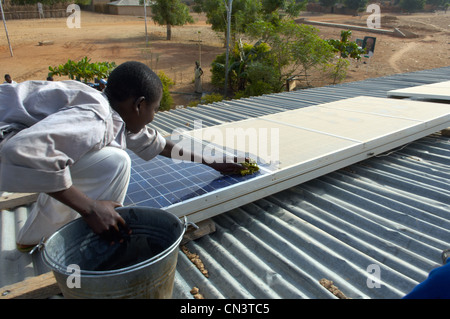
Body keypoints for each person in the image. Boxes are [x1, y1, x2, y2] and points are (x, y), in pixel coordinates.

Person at [0, 61, 245, 251]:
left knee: (79, 162)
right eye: (155, 109)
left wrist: (211, 160)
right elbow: (21, 152)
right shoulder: (96, 118)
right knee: (114, 161)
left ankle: (37, 235)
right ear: (139, 104)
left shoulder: (114, 113)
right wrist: (91, 208)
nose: (154, 117)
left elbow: (158, 144)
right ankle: (56, 239)